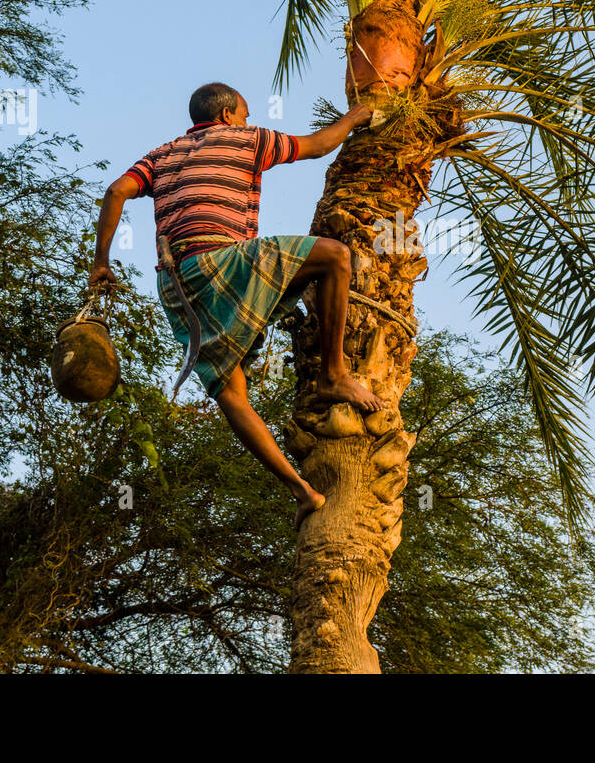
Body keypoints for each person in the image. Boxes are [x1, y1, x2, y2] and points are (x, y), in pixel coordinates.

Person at [89, 82, 384, 528]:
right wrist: (355, 118)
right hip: (222, 262)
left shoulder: (160, 155)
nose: (247, 121)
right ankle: (333, 374)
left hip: (177, 285)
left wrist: (101, 263)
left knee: (231, 393)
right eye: (244, 114)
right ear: (227, 115)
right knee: (335, 257)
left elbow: (115, 193)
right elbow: (319, 146)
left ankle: (303, 492)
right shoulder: (246, 139)